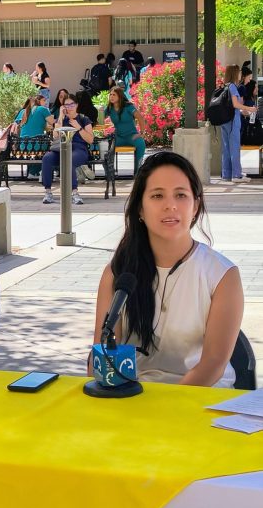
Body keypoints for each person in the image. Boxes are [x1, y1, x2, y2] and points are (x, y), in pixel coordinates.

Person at [92, 151, 244, 388]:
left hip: (202, 397)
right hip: (135, 396)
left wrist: (167, 404)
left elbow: (213, 364)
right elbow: (100, 354)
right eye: (157, 196)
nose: (170, 205)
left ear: (196, 206)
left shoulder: (223, 275)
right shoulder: (118, 274)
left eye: (181, 195)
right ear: (140, 209)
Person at [41, 93, 93, 205]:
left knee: (69, 160)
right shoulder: (61, 120)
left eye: (72, 104)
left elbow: (90, 139)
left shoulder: (84, 119)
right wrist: (60, 116)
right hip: (61, 149)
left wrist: (78, 127)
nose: (69, 107)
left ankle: (74, 193)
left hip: (79, 150)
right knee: (47, 158)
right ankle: (48, 192)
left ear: (77, 105)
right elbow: (55, 135)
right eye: (66, 105)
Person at [221, 64, 257, 182]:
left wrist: (243, 111)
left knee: (226, 149)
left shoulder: (224, 86)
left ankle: (226, 174)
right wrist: (250, 109)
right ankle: (237, 175)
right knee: (235, 147)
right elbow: (236, 104)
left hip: (225, 121)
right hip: (233, 121)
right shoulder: (232, 87)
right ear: (235, 73)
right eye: (238, 72)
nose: (240, 74)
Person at [105, 86, 146, 175]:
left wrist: (142, 133)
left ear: (119, 96)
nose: (111, 97)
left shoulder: (128, 106)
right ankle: (109, 171)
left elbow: (140, 118)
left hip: (132, 136)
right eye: (110, 95)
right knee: (106, 145)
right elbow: (100, 120)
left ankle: (138, 172)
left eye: (114, 95)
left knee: (141, 143)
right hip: (118, 137)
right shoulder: (109, 108)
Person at [15, 94, 54, 180]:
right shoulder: (43, 109)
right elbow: (53, 122)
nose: (45, 102)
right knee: (49, 148)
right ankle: (34, 172)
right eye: (44, 100)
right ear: (38, 101)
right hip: (37, 145)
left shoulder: (23, 111)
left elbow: (18, 125)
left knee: (34, 147)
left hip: (22, 145)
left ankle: (32, 172)